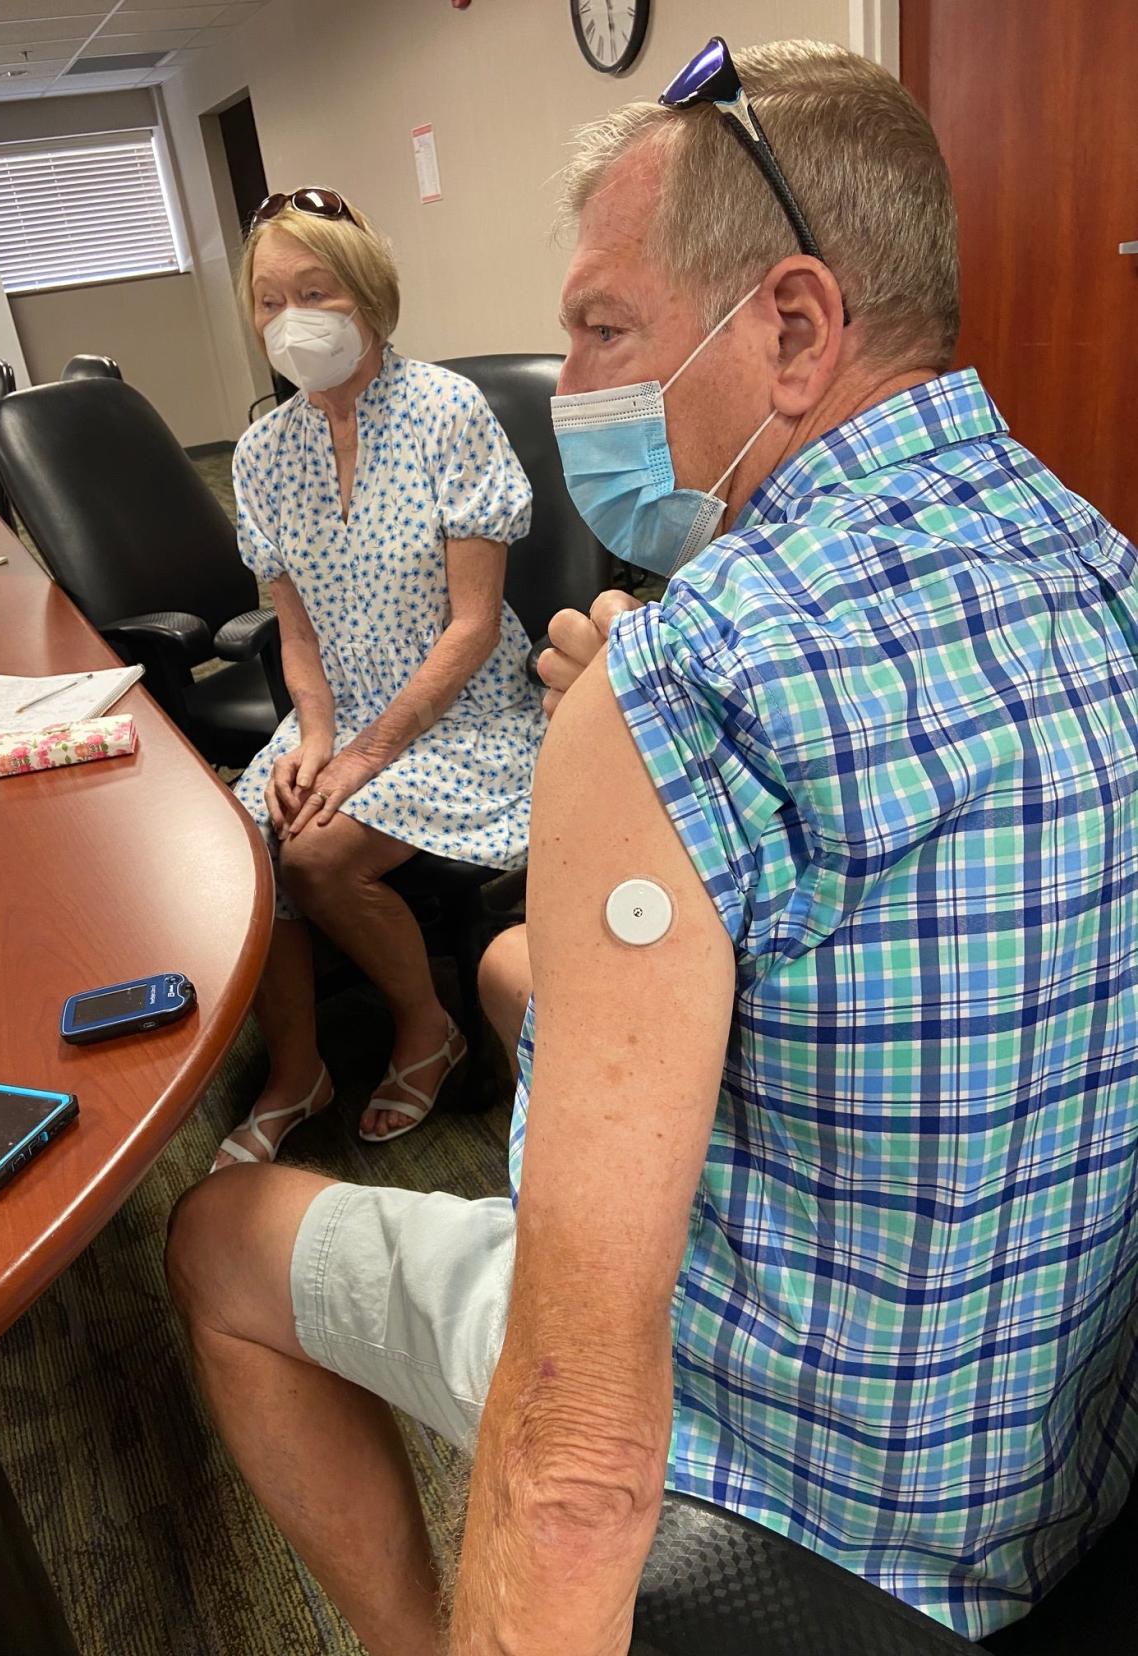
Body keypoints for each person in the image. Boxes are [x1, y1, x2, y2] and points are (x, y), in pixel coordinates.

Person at [167, 36, 1138, 1653]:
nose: (585, 393)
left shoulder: (698, 681)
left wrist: (625, 740)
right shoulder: (1097, 556)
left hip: (795, 1479)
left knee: (220, 1240)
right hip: (1047, 1434)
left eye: (605, 331)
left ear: (796, 326)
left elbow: (580, 1450)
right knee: (505, 970)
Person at [216, 188, 543, 1166]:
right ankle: (298, 1068)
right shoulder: (261, 454)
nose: (292, 320)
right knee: (250, 841)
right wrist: (314, 742)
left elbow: (475, 627)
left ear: (365, 295)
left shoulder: (448, 413)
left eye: (314, 291)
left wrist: (367, 754)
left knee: (318, 859)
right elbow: (298, 637)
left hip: (465, 716)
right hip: (342, 714)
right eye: (270, 301)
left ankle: (427, 1027)